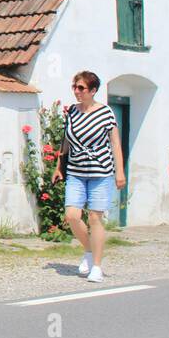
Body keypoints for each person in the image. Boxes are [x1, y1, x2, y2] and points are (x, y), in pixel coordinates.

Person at [53, 70, 126, 282]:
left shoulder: (106, 113)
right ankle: (88, 249)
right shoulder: (72, 113)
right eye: (75, 87)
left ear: (93, 91)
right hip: (76, 171)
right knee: (72, 215)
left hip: (101, 172)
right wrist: (59, 166)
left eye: (81, 88)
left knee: (95, 218)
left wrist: (119, 172)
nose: (77, 92)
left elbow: (115, 143)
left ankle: (96, 266)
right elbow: (65, 141)